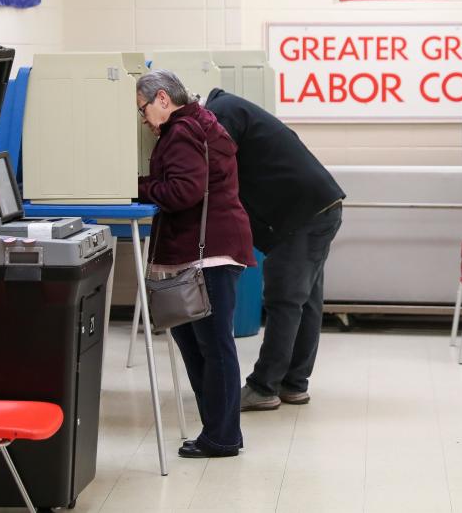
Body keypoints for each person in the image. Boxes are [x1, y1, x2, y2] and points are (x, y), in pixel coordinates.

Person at [136, 70, 255, 458]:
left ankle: (220, 437)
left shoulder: (183, 131)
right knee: (198, 343)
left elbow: (184, 191)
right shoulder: (200, 122)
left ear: (163, 99)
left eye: (144, 109)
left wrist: (137, 186)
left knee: (213, 346)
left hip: (209, 254)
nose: (144, 119)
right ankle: (220, 431)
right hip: (211, 249)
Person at [203, 88, 344, 410]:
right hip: (315, 208)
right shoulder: (234, 107)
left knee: (284, 301)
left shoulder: (222, 113)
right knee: (303, 302)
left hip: (301, 216)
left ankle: (264, 387)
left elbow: (214, 172)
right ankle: (293, 383)